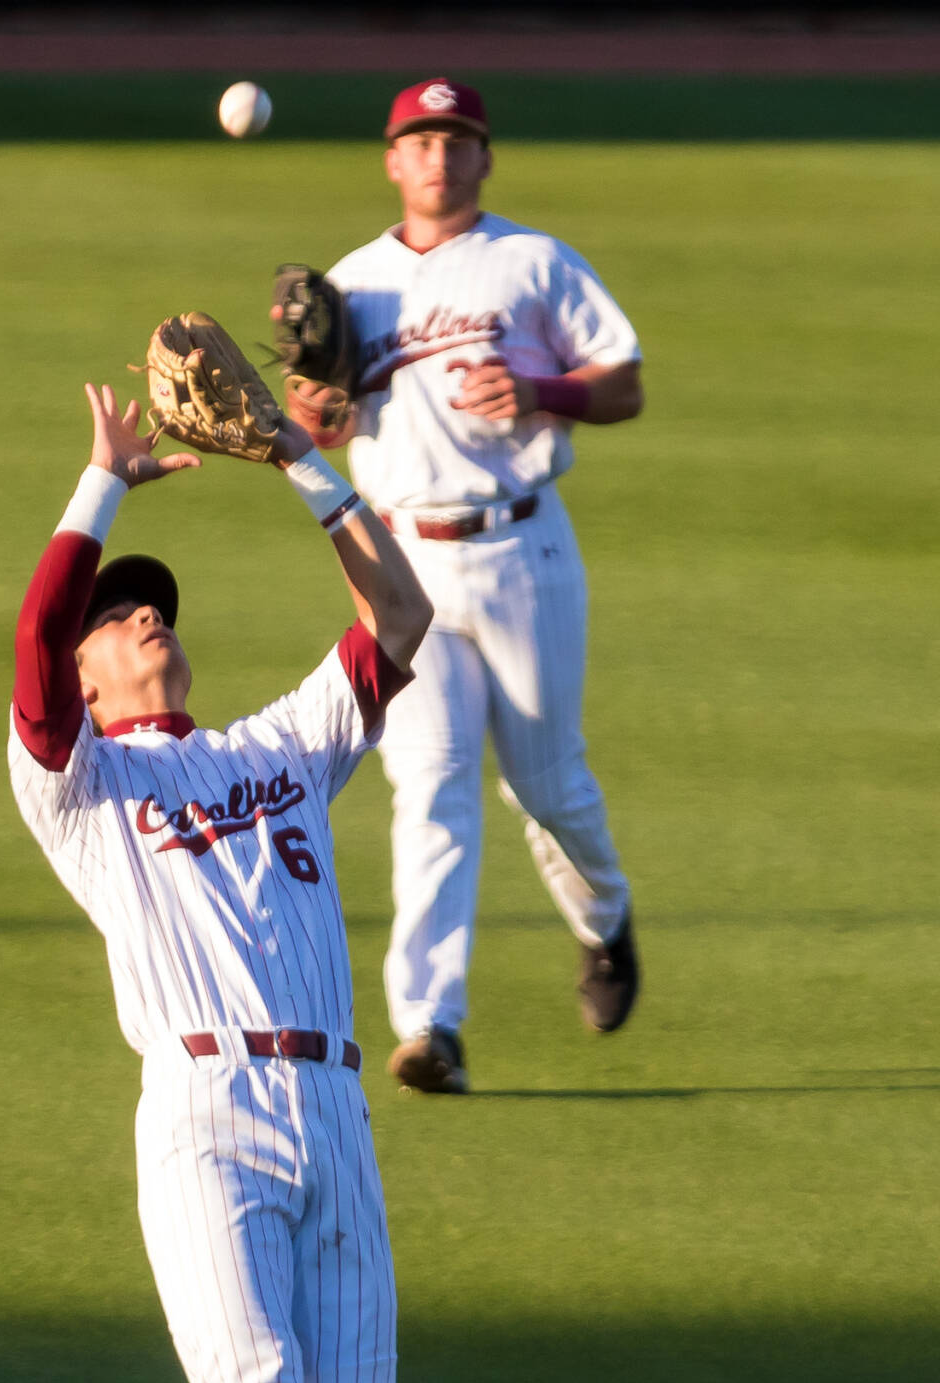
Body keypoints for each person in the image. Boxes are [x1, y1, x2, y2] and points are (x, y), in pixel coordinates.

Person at [9, 380, 433, 1383]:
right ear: (90, 680)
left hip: (335, 1114)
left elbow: (403, 628)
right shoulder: (82, 793)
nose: (142, 620)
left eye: (149, 607)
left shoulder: (276, 749)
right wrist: (102, 486)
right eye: (116, 618)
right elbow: (24, 651)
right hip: (203, 1122)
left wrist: (309, 462)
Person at [284, 76, 648, 1095]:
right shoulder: (352, 282)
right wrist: (316, 409)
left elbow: (623, 382)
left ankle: (604, 924)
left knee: (548, 787)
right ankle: (427, 1025)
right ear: (392, 161)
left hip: (525, 552)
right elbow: (323, 422)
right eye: (419, 141)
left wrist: (541, 389)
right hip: (405, 566)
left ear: (484, 157)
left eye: (457, 139)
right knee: (429, 784)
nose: (437, 156)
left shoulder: (533, 262)